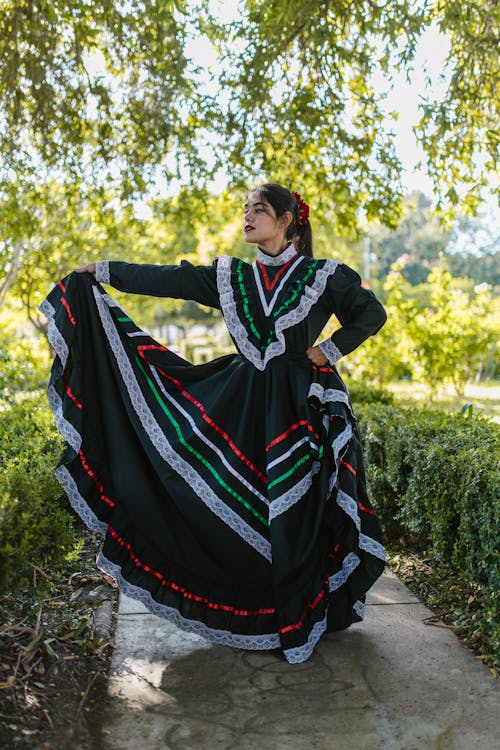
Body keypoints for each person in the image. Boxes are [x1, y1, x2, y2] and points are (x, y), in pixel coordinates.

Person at [40, 183, 387, 664]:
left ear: (287, 220)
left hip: (296, 406)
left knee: (295, 512)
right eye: (245, 209)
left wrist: (329, 349)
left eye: (259, 210)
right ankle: (257, 608)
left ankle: (298, 614)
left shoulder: (323, 275)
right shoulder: (233, 278)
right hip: (241, 405)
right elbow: (173, 280)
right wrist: (104, 271)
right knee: (235, 499)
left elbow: (371, 312)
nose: (248, 217)